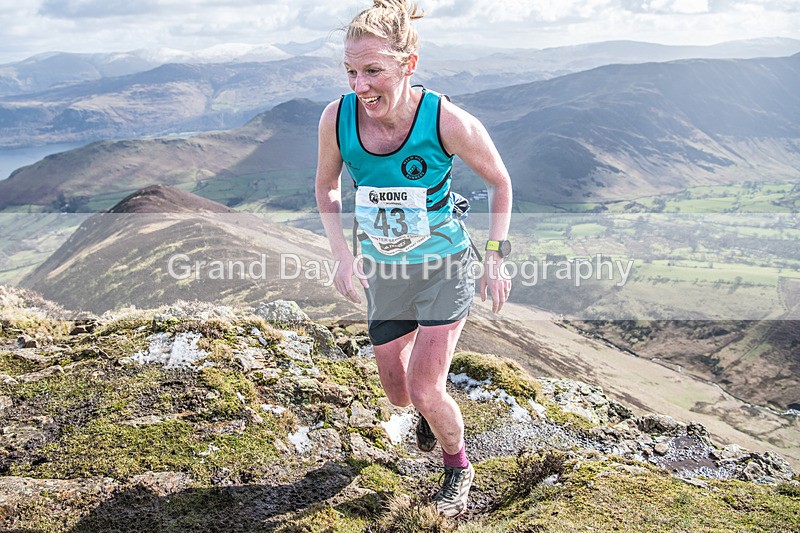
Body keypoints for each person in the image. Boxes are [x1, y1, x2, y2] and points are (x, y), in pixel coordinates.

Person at [315, 0, 512, 518]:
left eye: (373, 71)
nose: (360, 85)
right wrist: (341, 255)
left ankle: (457, 465)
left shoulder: (444, 119)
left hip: (444, 267)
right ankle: (428, 411)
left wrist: (494, 258)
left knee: (427, 386)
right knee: (400, 395)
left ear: (409, 64)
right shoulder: (338, 118)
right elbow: (327, 186)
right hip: (384, 271)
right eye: (351, 71)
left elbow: (500, 181)